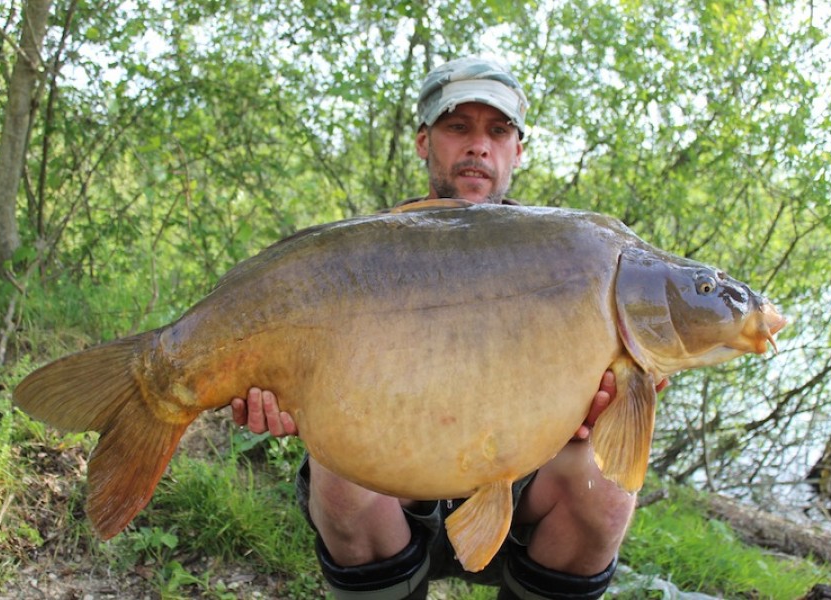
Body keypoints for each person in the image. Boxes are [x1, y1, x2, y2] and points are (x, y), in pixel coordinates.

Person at [231, 56, 639, 599]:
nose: (478, 146)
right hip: (395, 476)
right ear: (425, 141)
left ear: (518, 150)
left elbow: (615, 400)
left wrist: (605, 409)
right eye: (457, 127)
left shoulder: (568, 258)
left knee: (608, 488)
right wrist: (281, 395)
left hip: (523, 487)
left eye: (498, 131)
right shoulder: (373, 252)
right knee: (339, 482)